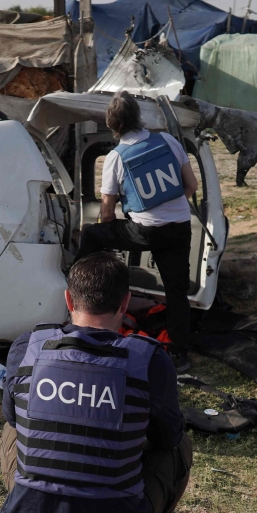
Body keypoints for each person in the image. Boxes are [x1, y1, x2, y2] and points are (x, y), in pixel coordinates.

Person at [0, 252, 193, 513]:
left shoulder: (28, 347)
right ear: (125, 303)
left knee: (13, 428)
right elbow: (167, 438)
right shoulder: (148, 359)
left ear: (69, 300)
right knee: (181, 446)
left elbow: (12, 416)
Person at [77, 91, 199, 373]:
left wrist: (111, 226)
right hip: (180, 227)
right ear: (138, 117)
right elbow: (191, 185)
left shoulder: (116, 157)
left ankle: (80, 292)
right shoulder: (168, 140)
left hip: (144, 231)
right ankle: (181, 354)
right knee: (176, 290)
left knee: (92, 236)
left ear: (112, 124)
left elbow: (107, 212)